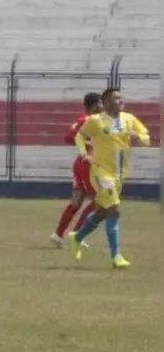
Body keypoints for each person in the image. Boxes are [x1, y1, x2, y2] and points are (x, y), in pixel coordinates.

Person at [66, 88, 151, 268]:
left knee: (103, 212)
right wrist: (83, 154)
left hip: (119, 174)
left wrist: (139, 137)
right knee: (115, 209)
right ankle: (116, 257)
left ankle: (77, 237)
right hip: (100, 171)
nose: (121, 100)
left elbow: (146, 138)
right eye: (116, 98)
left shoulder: (129, 119)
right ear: (106, 103)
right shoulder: (96, 121)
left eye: (121, 97)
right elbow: (80, 136)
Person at [49, 93, 102, 248]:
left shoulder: (85, 119)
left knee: (77, 201)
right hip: (87, 164)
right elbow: (69, 137)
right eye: (101, 103)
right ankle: (76, 236)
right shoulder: (87, 120)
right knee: (100, 200)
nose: (103, 106)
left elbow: (69, 136)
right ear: (95, 105)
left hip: (81, 163)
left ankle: (58, 235)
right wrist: (87, 142)